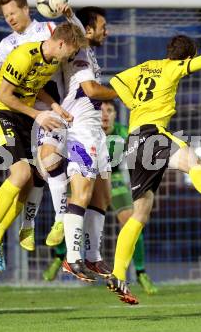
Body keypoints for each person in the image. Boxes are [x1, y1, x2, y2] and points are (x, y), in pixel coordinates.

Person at [106, 0, 201, 304]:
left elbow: (115, 80)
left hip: (134, 142)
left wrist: (132, 103)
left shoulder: (148, 66)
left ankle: (118, 275)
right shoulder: (175, 68)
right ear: (186, 57)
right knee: (193, 160)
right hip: (152, 135)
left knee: (140, 213)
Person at [0, 21, 87, 272]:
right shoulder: (23, 55)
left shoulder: (51, 61)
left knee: (28, 183)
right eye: (70, 51)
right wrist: (37, 116)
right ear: (60, 43)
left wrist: (54, 106)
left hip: (20, 117)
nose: (70, 56)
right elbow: (5, 95)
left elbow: (33, 89)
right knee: (21, 173)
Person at [35, 6, 118, 282]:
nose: (107, 31)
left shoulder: (88, 52)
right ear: (88, 29)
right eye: (102, 25)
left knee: (103, 196)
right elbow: (91, 90)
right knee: (81, 192)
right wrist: (124, 92)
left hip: (95, 130)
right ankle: (73, 259)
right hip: (80, 129)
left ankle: (93, 257)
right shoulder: (80, 52)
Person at [43, 101, 158, 296]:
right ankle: (60, 256)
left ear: (115, 114)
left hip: (115, 180)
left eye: (109, 110)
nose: (104, 114)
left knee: (133, 221)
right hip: (86, 174)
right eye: (100, 110)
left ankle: (140, 272)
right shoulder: (85, 131)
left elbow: (135, 163)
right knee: (72, 211)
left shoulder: (124, 134)